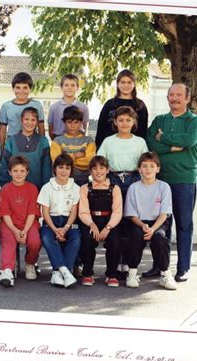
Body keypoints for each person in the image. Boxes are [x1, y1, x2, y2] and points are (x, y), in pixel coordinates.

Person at [146, 83, 197, 282]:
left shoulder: (194, 121)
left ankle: (183, 268)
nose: (175, 98)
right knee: (161, 226)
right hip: (161, 181)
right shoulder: (160, 119)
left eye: (179, 95)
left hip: (184, 181)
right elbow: (150, 143)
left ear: (187, 98)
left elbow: (188, 140)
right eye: (171, 95)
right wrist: (172, 147)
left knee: (184, 225)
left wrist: (164, 138)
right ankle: (160, 267)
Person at [97, 105, 148, 277]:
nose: (124, 123)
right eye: (121, 120)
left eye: (128, 120)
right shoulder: (108, 141)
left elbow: (144, 163)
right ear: (115, 122)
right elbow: (101, 162)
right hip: (113, 179)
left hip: (134, 179)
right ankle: (115, 262)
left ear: (133, 122)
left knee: (130, 220)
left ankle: (127, 261)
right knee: (115, 220)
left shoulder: (139, 142)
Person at [123, 152, 177, 290]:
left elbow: (165, 214)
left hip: (158, 222)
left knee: (160, 238)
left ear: (158, 169)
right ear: (139, 169)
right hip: (139, 222)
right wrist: (143, 226)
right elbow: (131, 214)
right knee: (135, 236)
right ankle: (132, 273)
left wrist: (153, 229)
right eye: (144, 166)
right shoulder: (134, 188)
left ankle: (165, 275)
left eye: (152, 166)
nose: (148, 169)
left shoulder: (164, 187)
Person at [0, 156, 42, 287]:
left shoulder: (32, 188)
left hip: (28, 223)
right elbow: (5, 213)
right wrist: (16, 231)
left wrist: (25, 231)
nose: (18, 174)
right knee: (9, 242)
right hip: (10, 224)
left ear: (27, 172)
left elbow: (32, 212)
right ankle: (7, 270)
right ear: (10, 172)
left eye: (22, 171)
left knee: (35, 241)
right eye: (15, 171)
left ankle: (30, 263)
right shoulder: (5, 189)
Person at [78, 156, 122, 287]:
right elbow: (83, 211)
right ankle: (87, 273)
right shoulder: (85, 188)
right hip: (90, 220)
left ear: (107, 170)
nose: (98, 171)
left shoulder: (114, 188)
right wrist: (92, 225)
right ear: (90, 171)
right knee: (87, 239)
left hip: (109, 221)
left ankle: (112, 274)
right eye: (95, 168)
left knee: (114, 240)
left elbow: (118, 211)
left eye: (102, 168)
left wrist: (108, 227)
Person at [38, 153, 81, 288]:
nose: (63, 171)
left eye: (67, 168)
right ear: (55, 169)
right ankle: (65, 271)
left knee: (77, 237)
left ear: (71, 170)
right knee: (46, 237)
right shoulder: (47, 187)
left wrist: (66, 227)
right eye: (60, 167)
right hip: (51, 221)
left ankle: (58, 272)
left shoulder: (76, 188)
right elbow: (44, 212)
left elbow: (74, 211)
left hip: (69, 222)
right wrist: (55, 229)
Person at [0, 107, 51, 190]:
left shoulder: (43, 141)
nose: (30, 122)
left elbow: (47, 167)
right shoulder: (11, 141)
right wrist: (5, 186)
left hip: (37, 189)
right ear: (21, 120)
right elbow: (4, 165)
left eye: (33, 120)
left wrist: (45, 189)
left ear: (37, 122)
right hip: (14, 189)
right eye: (26, 119)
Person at [95, 69, 148, 148]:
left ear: (134, 84)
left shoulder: (140, 106)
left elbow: (143, 131)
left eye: (129, 82)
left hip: (132, 148)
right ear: (117, 84)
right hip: (110, 147)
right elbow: (101, 129)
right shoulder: (109, 104)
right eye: (123, 82)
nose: (126, 85)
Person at [50, 105, 96, 187]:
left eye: (76, 122)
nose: (73, 125)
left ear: (81, 123)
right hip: (63, 181)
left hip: (84, 180)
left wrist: (66, 157)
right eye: (69, 122)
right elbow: (58, 162)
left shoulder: (89, 141)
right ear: (64, 122)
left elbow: (89, 162)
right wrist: (77, 155)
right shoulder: (57, 141)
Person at [0, 72, 45, 150]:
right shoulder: (6, 106)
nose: (21, 91)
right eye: (18, 87)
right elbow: (2, 130)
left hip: (32, 142)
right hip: (12, 144)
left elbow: (41, 128)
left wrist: (42, 147)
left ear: (30, 88)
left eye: (25, 87)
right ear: (13, 88)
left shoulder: (37, 105)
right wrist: (2, 149)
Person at [48, 74, 89, 140]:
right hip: (58, 140)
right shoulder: (54, 107)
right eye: (66, 85)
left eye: (73, 85)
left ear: (77, 88)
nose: (69, 88)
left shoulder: (83, 107)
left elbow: (84, 127)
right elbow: (51, 128)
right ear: (61, 87)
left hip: (77, 141)